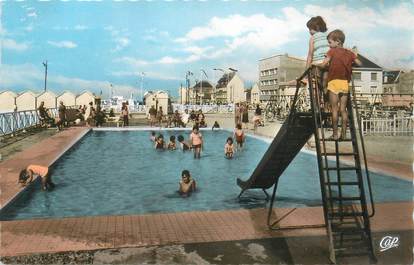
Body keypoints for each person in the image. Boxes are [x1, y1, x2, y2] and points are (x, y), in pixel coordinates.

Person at [314, 29, 362, 140]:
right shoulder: (349, 53)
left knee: (334, 109)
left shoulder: (332, 52)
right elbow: (359, 63)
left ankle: (335, 135)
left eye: (330, 43)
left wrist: (316, 65)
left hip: (334, 82)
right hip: (344, 83)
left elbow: (324, 64)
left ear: (338, 42)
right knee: (343, 110)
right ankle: (344, 134)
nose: (329, 46)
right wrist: (353, 57)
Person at [306, 16, 330, 94]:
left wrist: (307, 68)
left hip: (317, 63)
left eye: (310, 29)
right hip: (327, 63)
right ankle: (327, 103)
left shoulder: (312, 38)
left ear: (316, 27)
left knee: (317, 85)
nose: (309, 31)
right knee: (325, 84)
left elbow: (310, 53)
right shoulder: (328, 36)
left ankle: (318, 102)